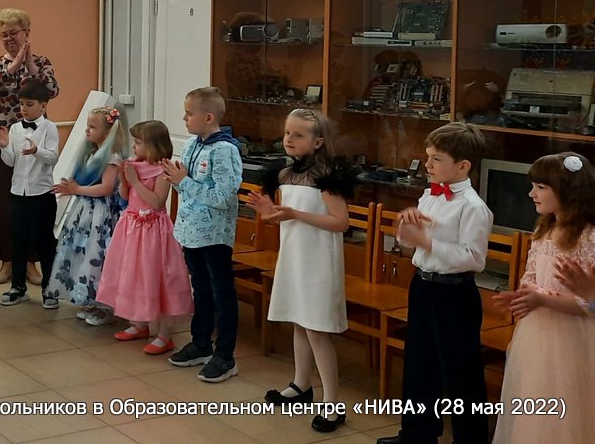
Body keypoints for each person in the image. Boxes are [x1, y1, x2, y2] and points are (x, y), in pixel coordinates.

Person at [377, 123, 492, 444]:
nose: (427, 164)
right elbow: (410, 243)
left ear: (463, 166)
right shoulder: (430, 194)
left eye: (436, 159)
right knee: (419, 362)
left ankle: (470, 440)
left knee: (461, 371)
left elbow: (473, 258)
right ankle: (417, 433)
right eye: (427, 157)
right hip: (423, 285)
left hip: (455, 293)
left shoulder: (473, 207)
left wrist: (426, 241)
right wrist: (406, 229)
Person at [249, 108, 354, 433]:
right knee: (298, 321)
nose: (289, 139)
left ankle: (333, 404)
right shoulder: (285, 173)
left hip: (318, 261)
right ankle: (301, 384)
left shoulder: (326, 177)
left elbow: (341, 222)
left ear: (318, 141)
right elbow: (285, 215)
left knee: (316, 330)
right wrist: (271, 213)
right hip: (294, 256)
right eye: (287, 133)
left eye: (298, 135)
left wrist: (295, 214)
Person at [491, 152, 595, 444]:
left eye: (540, 187)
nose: (531, 193)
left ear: (569, 191)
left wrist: (543, 300)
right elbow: (531, 275)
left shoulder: (588, 238)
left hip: (573, 339)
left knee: (567, 409)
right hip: (537, 333)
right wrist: (523, 295)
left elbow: (588, 303)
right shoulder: (543, 230)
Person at [162, 88, 243, 383]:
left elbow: (222, 197)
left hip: (214, 235)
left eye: (189, 113)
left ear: (208, 117)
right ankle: (201, 344)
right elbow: (186, 184)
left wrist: (184, 181)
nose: (184, 119)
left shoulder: (225, 150)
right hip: (191, 232)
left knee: (222, 293)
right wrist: (174, 177)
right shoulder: (192, 144)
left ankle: (225, 355)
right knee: (201, 289)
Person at [96, 120, 193, 353]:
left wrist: (136, 181)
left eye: (138, 143)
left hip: (153, 233)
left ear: (154, 146)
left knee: (157, 277)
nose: (134, 147)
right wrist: (125, 180)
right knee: (133, 275)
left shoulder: (163, 171)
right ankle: (138, 323)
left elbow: (156, 202)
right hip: (131, 229)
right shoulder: (134, 165)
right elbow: (125, 196)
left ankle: (165, 335)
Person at [0, 8, 59, 286]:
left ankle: (30, 262)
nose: (8, 39)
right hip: (4, 138)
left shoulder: (42, 62)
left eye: (13, 33)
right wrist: (13, 66)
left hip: (37, 140)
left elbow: (51, 90)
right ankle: (7, 262)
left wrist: (30, 65)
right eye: (3, 35)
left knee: (34, 203)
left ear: (26, 32)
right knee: (5, 203)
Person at [44, 106, 127, 325]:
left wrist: (77, 189)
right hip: (86, 211)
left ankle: (105, 306)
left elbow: (106, 188)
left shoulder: (111, 158)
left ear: (107, 133)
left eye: (93, 127)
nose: (87, 130)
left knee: (97, 254)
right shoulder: (91, 154)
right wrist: (71, 188)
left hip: (102, 215)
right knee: (82, 251)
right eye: (87, 126)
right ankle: (91, 299)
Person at [0, 80, 60, 309]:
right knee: (18, 241)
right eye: (21, 104)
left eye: (29, 104)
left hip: (41, 194)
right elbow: (11, 161)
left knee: (44, 242)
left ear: (43, 105)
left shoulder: (49, 128)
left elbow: (52, 157)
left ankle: (49, 289)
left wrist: (37, 151)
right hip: (18, 193)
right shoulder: (15, 129)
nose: (24, 109)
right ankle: (18, 287)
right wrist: (4, 146)